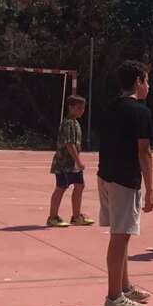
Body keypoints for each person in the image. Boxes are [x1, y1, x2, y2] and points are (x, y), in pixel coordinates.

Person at [97, 60, 153, 306]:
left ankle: (125, 286)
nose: (149, 86)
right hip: (124, 180)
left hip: (106, 176)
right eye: (147, 81)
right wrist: (150, 189)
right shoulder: (140, 112)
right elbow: (144, 151)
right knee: (120, 238)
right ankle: (113, 297)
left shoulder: (109, 107)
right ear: (138, 82)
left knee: (121, 235)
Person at [47, 95, 95, 227]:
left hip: (72, 164)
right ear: (70, 107)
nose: (82, 111)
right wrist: (79, 161)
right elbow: (69, 144)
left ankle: (76, 216)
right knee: (61, 187)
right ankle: (53, 217)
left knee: (79, 185)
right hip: (64, 163)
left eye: (83, 108)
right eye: (79, 108)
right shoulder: (68, 123)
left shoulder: (75, 123)